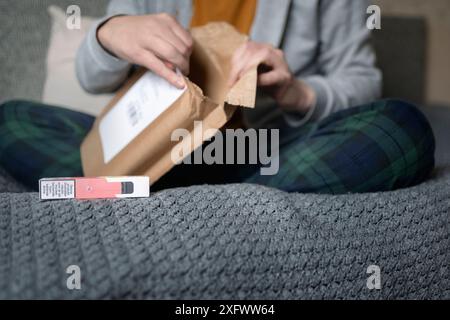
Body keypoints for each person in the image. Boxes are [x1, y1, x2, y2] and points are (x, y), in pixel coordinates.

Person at [0, 0, 435, 193]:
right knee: (12, 118)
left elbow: (362, 80)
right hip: (156, 147)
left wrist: (296, 91)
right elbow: (91, 78)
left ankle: (141, 192)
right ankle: (242, 196)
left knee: (402, 128)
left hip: (264, 152)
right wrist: (108, 33)